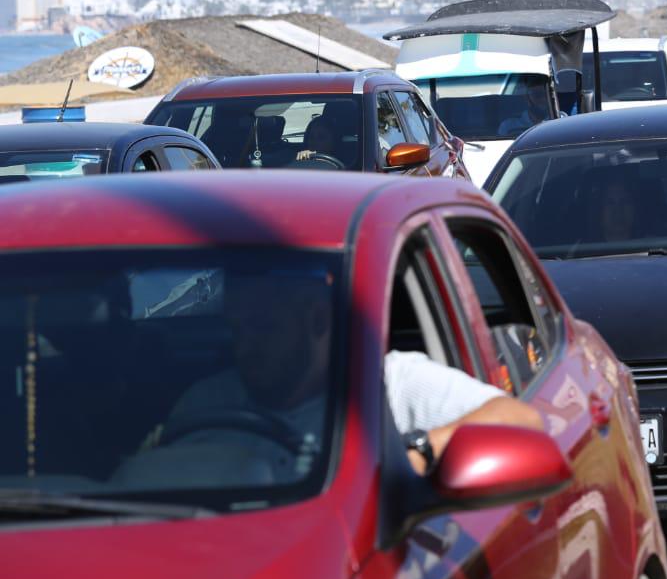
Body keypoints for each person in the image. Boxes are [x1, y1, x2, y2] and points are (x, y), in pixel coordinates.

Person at [157, 274, 541, 480]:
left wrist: (420, 451)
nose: (245, 347)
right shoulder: (206, 401)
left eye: (263, 328)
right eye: (237, 330)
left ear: (318, 320)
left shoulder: (390, 384)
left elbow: (521, 420)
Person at [598, 176, 638, 243]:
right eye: (610, 203)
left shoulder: (653, 244)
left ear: (634, 209)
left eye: (624, 201)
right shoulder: (582, 247)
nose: (618, 210)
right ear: (600, 211)